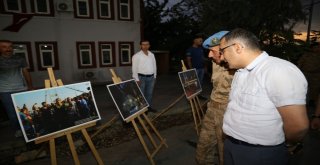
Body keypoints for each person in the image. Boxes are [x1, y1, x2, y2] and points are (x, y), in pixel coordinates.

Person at [220, 28, 309, 165]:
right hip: (232, 145)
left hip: (260, 153)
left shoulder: (278, 70)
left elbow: (298, 125)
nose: (222, 57)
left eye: (223, 51)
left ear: (237, 47)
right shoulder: (240, 72)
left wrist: (288, 143)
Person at [195, 31, 234, 165]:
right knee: (203, 146)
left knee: (225, 151)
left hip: (228, 111)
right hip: (212, 108)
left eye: (212, 51)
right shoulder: (216, 61)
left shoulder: (239, 66)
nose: (210, 55)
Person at [0, 39, 33, 137]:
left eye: (10, 46)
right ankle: (18, 130)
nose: (8, 49)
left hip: (21, 89)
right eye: (4, 47)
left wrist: (30, 86)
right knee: (12, 113)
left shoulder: (20, 59)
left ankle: (29, 129)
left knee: (25, 111)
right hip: (4, 91)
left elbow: (26, 72)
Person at [132, 40, 157, 112]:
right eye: (143, 44)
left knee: (149, 94)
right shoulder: (136, 56)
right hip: (141, 78)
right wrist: (136, 79)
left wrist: (155, 76)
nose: (145, 46)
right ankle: (142, 110)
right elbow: (134, 68)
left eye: (147, 44)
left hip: (151, 77)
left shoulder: (152, 55)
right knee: (141, 95)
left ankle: (148, 107)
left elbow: (154, 66)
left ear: (149, 45)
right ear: (140, 46)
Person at [297, 42, 320, 107]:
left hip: (316, 75)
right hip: (305, 74)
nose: (317, 48)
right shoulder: (306, 55)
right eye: (316, 47)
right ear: (312, 48)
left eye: (318, 47)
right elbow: (300, 63)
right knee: (304, 88)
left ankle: (313, 102)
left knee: (315, 89)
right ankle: (303, 102)